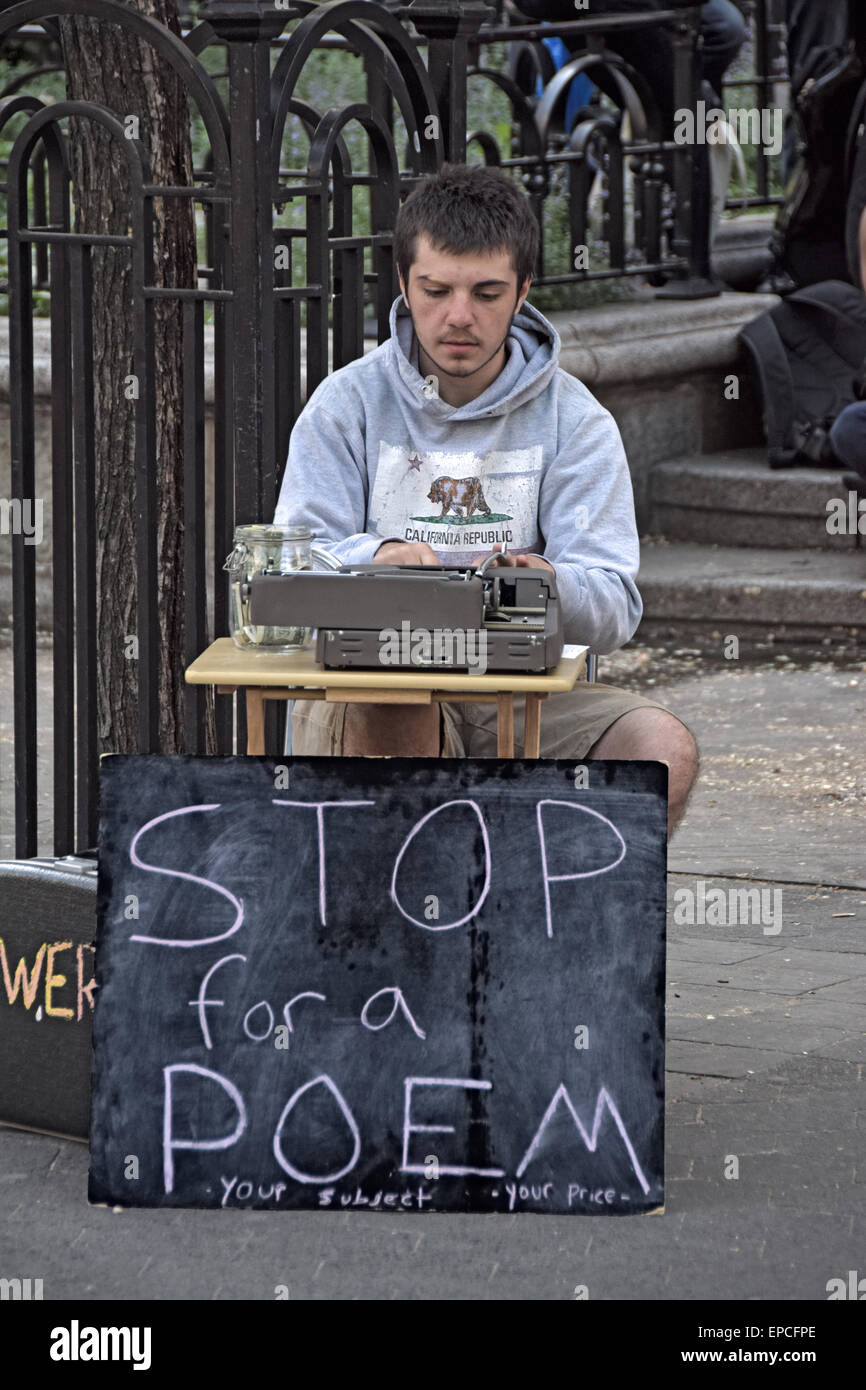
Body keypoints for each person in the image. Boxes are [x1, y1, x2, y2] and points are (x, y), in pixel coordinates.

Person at [274, 163, 699, 834]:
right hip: (374, 688)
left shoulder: (575, 420)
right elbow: (290, 568)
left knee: (661, 749)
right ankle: (412, 926)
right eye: (435, 290)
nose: (459, 317)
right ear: (406, 287)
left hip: (523, 691)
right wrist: (378, 557)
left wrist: (550, 586)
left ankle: (550, 924)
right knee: (400, 696)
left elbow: (616, 606)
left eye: (488, 292)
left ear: (524, 291)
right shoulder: (347, 403)